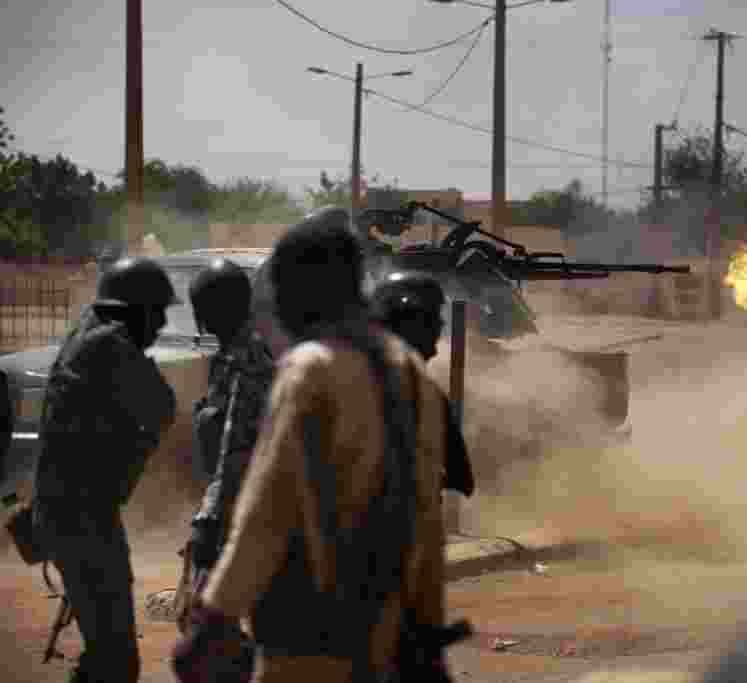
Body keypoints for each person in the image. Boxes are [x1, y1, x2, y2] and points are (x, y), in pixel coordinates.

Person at [172, 212, 463, 683]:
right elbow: (425, 519)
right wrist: (427, 634)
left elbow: (268, 509)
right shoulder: (408, 372)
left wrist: (215, 615)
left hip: (305, 633)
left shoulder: (310, 370)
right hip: (385, 633)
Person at [32, 257, 179, 683]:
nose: (160, 325)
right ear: (132, 309)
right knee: (115, 660)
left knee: (105, 654)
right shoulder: (110, 345)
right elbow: (161, 405)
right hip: (81, 520)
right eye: (157, 312)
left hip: (70, 513)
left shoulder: (88, 331)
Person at [174, 260, 275, 664]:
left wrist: (207, 521)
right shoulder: (241, 351)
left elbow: (234, 445)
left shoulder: (245, 358)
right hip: (246, 508)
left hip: (246, 511)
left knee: (204, 624)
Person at [370, 273, 473, 499]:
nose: (438, 328)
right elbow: (462, 479)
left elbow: (462, 479)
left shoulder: (345, 378)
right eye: (431, 321)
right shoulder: (426, 394)